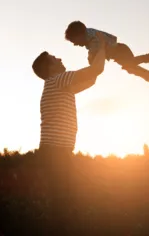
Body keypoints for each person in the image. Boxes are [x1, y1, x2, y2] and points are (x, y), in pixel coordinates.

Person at [32, 32, 107, 234]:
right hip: (55, 153)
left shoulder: (61, 84)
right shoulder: (58, 80)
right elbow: (96, 70)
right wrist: (102, 48)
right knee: (64, 202)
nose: (60, 58)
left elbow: (92, 78)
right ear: (50, 68)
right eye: (54, 58)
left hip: (58, 152)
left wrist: (95, 56)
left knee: (64, 201)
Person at [65, 20, 149, 90]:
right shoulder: (90, 34)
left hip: (120, 51)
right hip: (118, 52)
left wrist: (91, 60)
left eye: (75, 41)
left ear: (80, 35)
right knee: (130, 67)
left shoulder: (93, 39)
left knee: (129, 65)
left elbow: (95, 53)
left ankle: (147, 58)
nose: (75, 44)